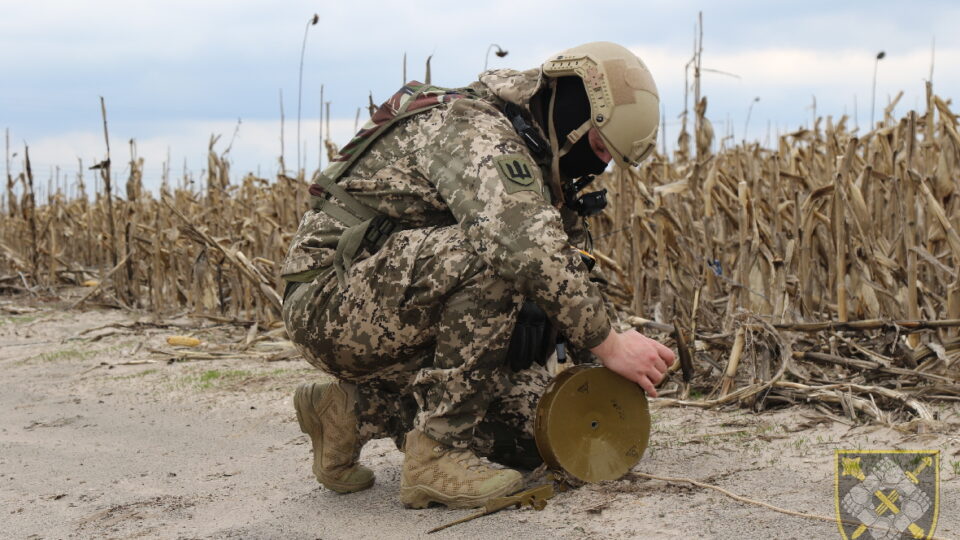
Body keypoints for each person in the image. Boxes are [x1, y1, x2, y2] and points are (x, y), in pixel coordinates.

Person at [280, 41, 675, 509]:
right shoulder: (473, 125)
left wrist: (596, 389)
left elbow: (563, 276)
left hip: (393, 304)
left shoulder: (537, 158)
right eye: (595, 147)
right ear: (576, 110)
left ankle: (350, 414)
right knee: (497, 253)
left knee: (536, 432)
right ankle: (437, 455)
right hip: (328, 298)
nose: (597, 166)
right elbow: (522, 247)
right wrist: (610, 342)